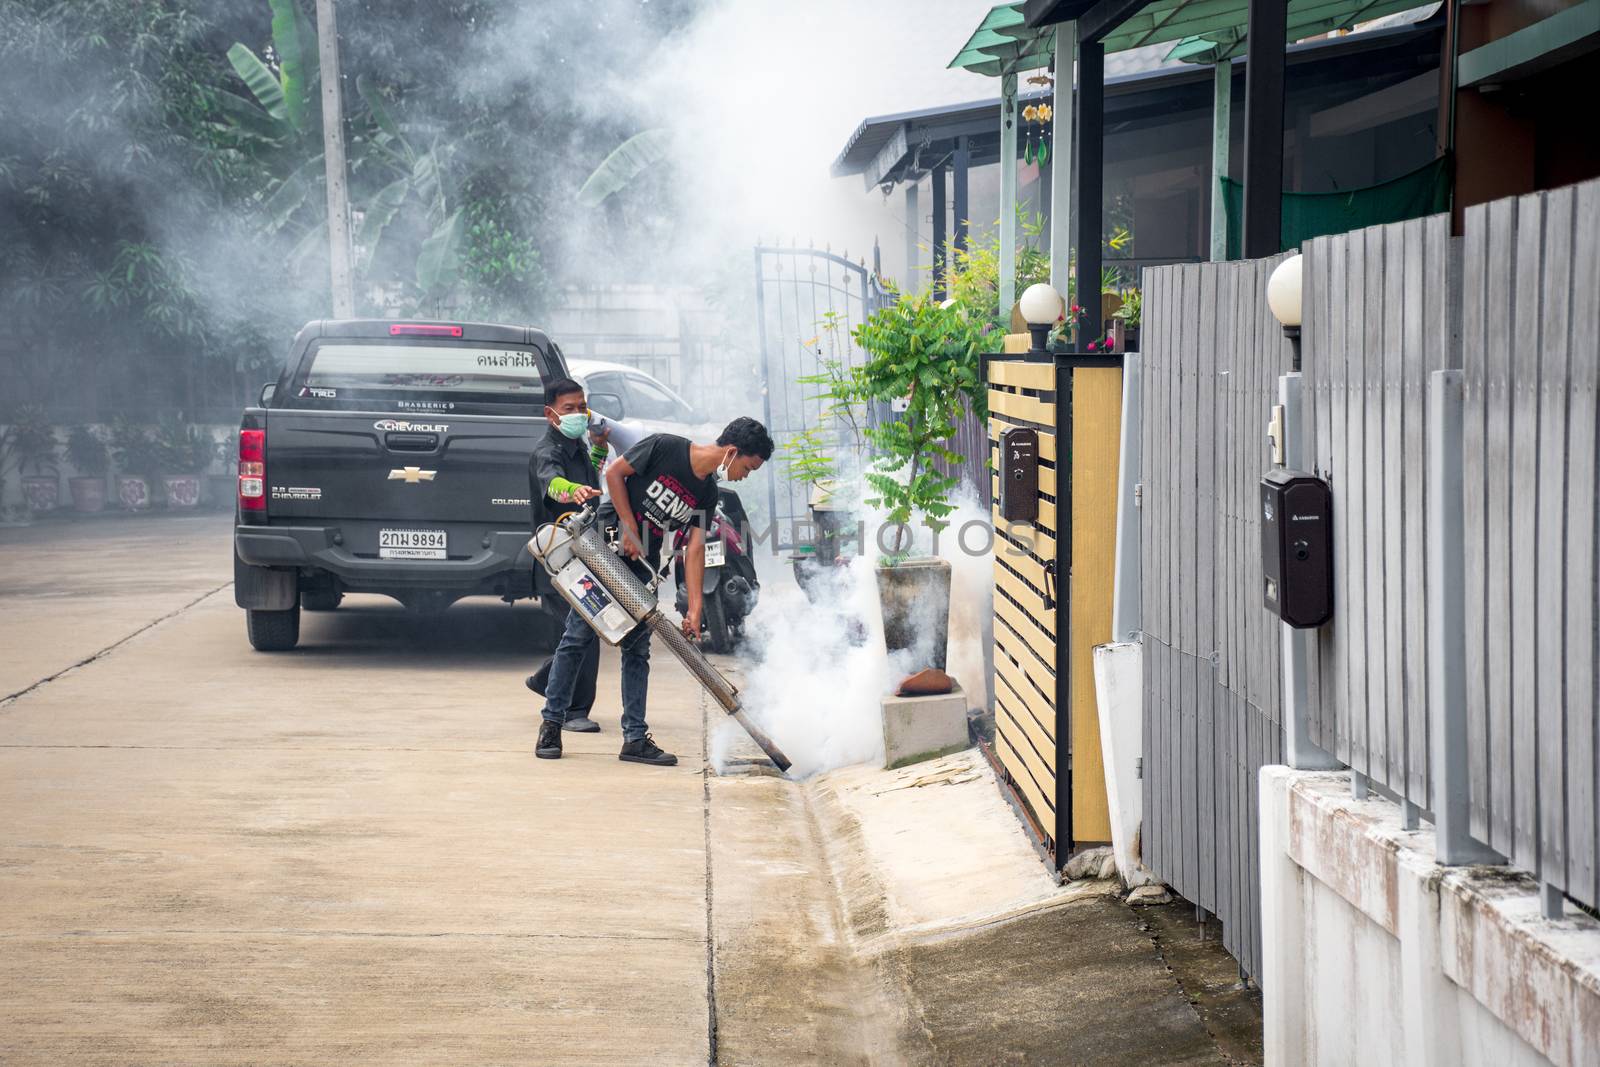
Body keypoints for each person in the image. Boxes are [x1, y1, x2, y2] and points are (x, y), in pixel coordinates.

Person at [536, 417, 775, 765]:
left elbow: (694, 550)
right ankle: (551, 725)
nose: (744, 475)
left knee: (637, 649)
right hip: (604, 545)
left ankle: (634, 739)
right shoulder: (666, 447)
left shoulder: (706, 492)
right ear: (732, 452)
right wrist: (631, 528)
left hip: (639, 563)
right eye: (748, 467)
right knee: (578, 636)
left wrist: (694, 609)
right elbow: (615, 474)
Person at [526, 378, 610, 733]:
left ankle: (546, 679)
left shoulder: (576, 445)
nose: (577, 414)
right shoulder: (547, 453)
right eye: (568, 409)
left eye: (581, 407)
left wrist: (600, 450)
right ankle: (572, 710)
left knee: (580, 632)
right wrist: (574, 491)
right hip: (558, 561)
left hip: (581, 554)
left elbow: (590, 472)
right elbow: (554, 484)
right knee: (584, 631)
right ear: (550, 414)